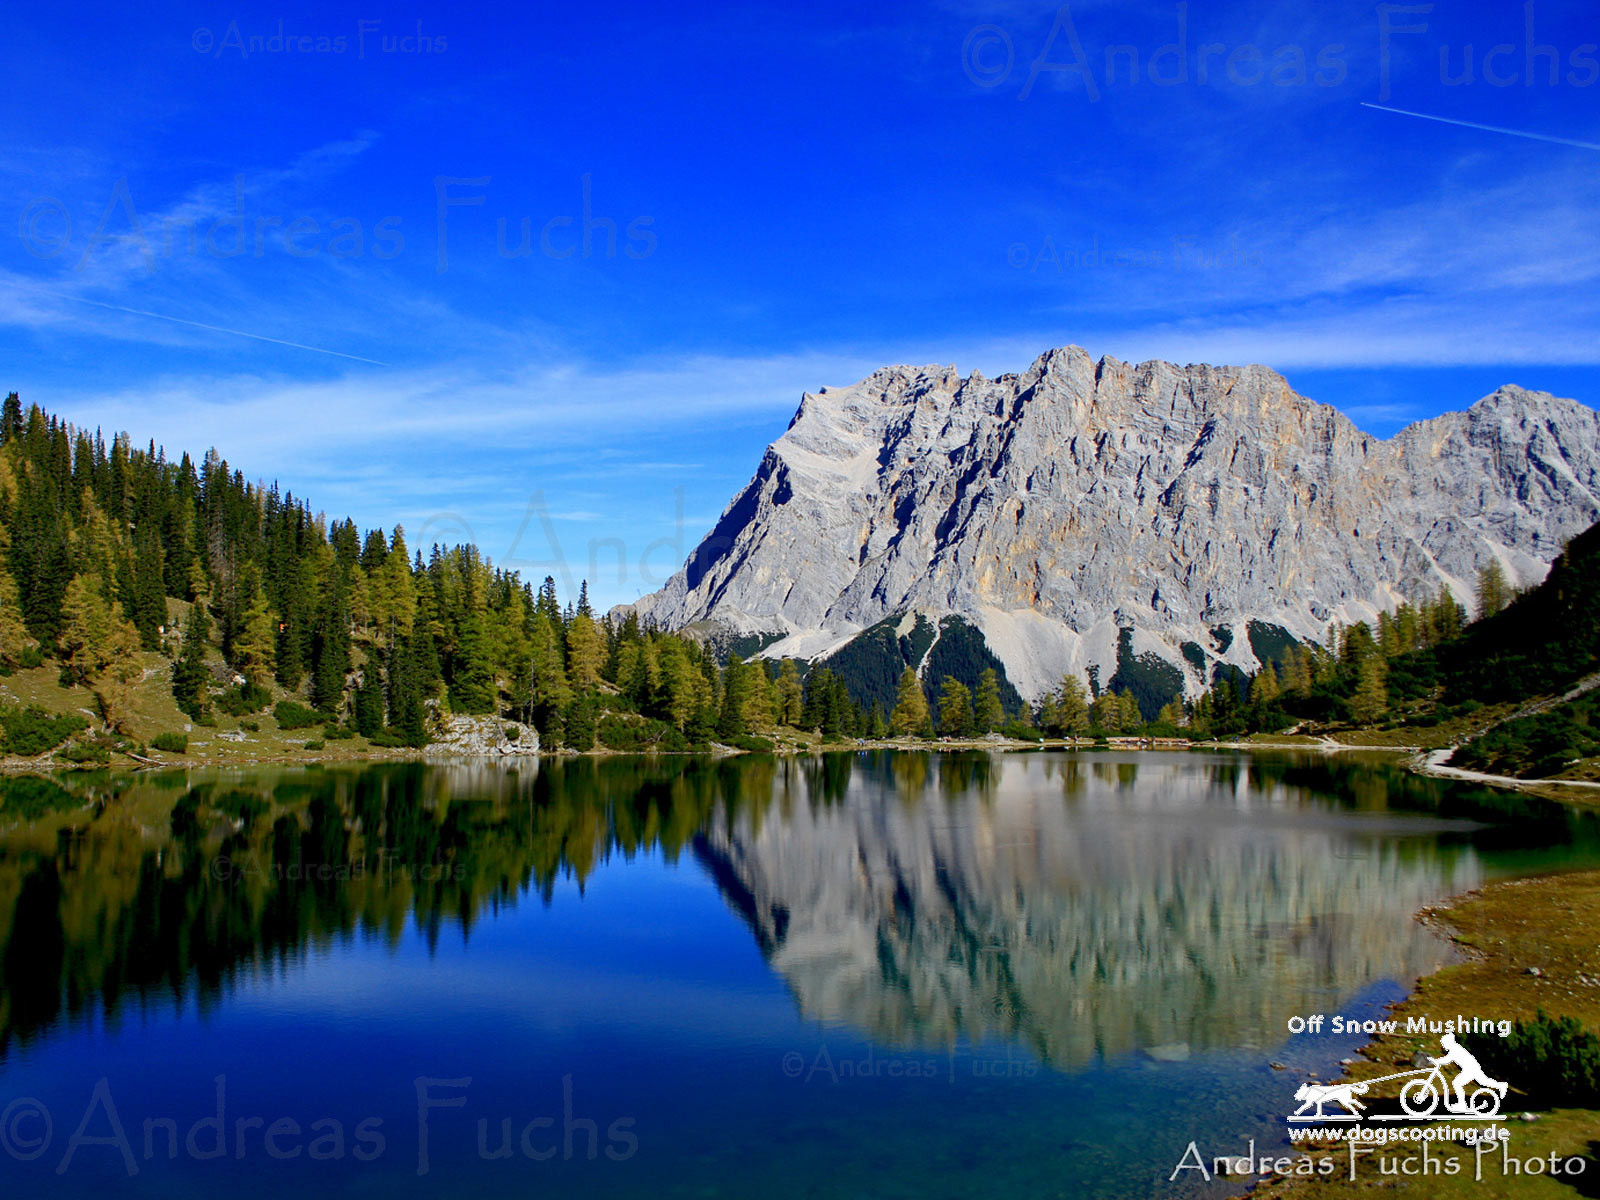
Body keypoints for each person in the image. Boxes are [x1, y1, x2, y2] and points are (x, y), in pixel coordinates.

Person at [1427, 1033, 1507, 1112]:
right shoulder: (1455, 1048)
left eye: (1444, 1043)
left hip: (1470, 1069)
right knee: (1484, 1081)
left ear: (1449, 1042)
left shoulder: (1455, 1049)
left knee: (1457, 1083)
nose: (1444, 1045)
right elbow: (1447, 1059)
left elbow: (1446, 1060)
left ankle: (1462, 1105)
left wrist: (1434, 1061)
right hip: (1472, 1067)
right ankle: (1501, 1086)